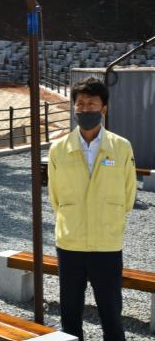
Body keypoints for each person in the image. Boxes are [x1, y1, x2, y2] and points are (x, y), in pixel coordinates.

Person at [48, 76, 136, 341]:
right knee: (70, 313)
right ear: (74, 108)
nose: (85, 109)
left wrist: (109, 220)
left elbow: (129, 195)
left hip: (107, 243)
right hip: (70, 243)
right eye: (81, 104)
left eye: (92, 103)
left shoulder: (121, 147)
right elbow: (55, 196)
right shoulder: (58, 149)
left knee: (111, 313)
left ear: (104, 108)